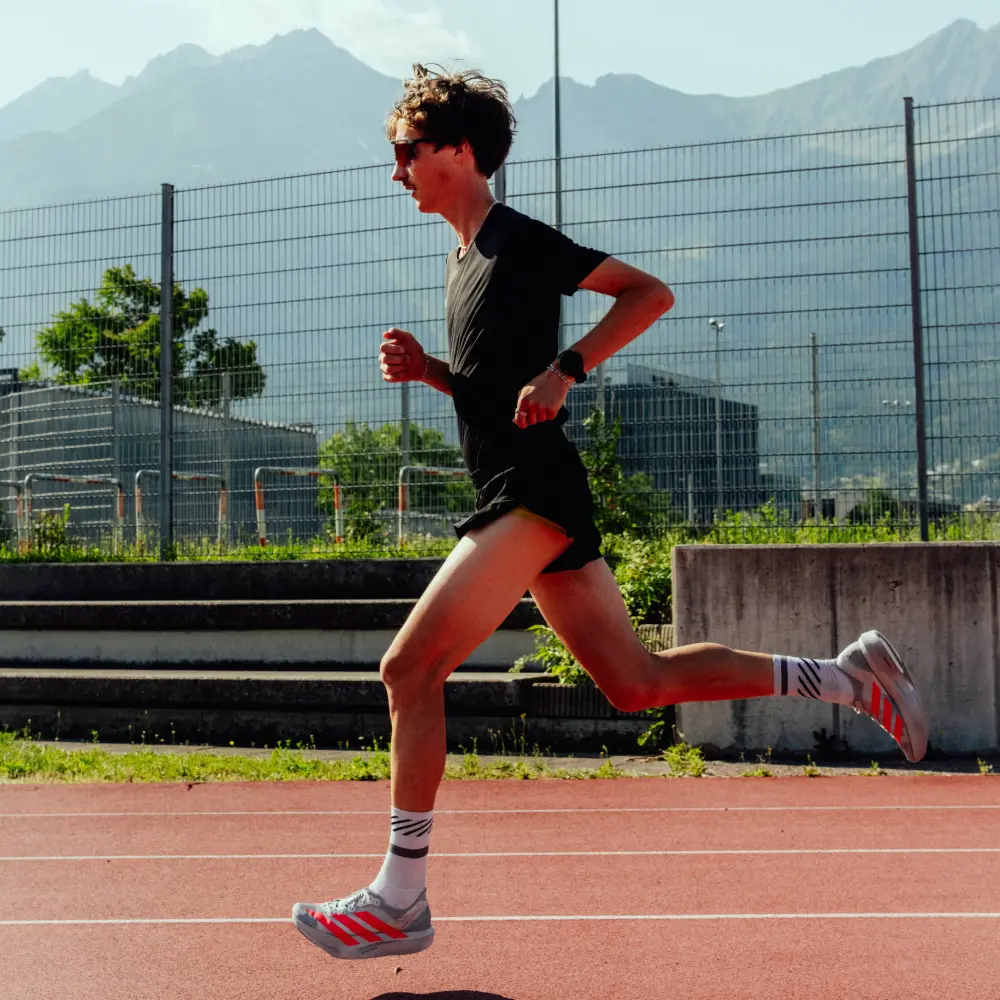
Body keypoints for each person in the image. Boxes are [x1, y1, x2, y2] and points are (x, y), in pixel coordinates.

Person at [292, 64, 928, 961]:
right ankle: (844, 678)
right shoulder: (465, 260)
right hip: (523, 489)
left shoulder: (516, 239)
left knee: (408, 670)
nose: (396, 171)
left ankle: (400, 898)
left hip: (530, 493)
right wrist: (433, 373)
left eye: (407, 151)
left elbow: (649, 293)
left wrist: (568, 369)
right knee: (636, 682)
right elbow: (496, 391)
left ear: (460, 152)